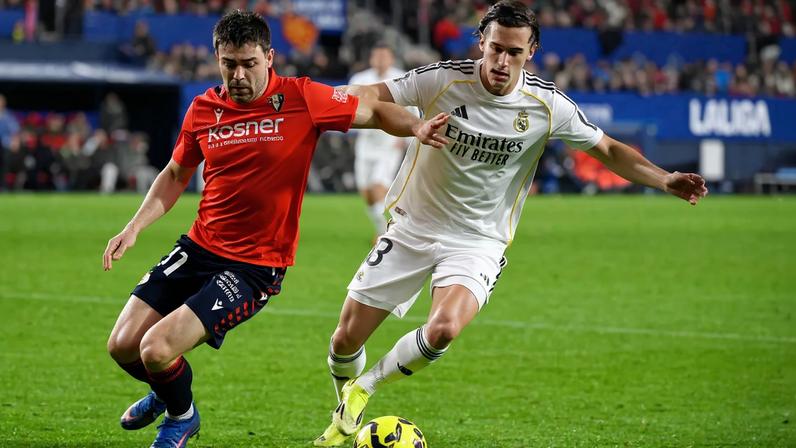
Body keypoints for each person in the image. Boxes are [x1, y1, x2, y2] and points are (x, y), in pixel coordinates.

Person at [313, 1, 708, 446]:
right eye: (495, 49)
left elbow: (608, 149)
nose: (501, 62)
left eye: (514, 53)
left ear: (531, 51)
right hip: (413, 227)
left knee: (443, 328)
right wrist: (381, 115)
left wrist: (664, 178)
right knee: (345, 339)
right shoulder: (443, 79)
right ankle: (342, 405)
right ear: (481, 42)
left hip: (478, 239)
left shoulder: (545, 104)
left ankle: (366, 387)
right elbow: (371, 97)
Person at [102, 10, 448, 448]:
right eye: (229, 64)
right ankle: (166, 388)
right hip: (199, 245)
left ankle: (180, 415)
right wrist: (134, 227)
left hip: (254, 266)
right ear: (217, 59)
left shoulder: (303, 98)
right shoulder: (204, 108)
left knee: (155, 349)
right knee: (123, 345)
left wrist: (416, 126)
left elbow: (376, 110)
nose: (239, 74)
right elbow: (174, 174)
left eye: (249, 63)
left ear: (270, 57)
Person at [348, 43, 415, 241]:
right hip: (366, 144)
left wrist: (407, 139)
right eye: (377, 56)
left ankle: (388, 233)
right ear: (371, 59)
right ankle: (382, 229)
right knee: (367, 194)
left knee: (378, 189)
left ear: (391, 59)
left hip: (389, 144)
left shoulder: (400, 78)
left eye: (384, 56)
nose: (380, 60)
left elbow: (412, 110)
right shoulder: (360, 80)